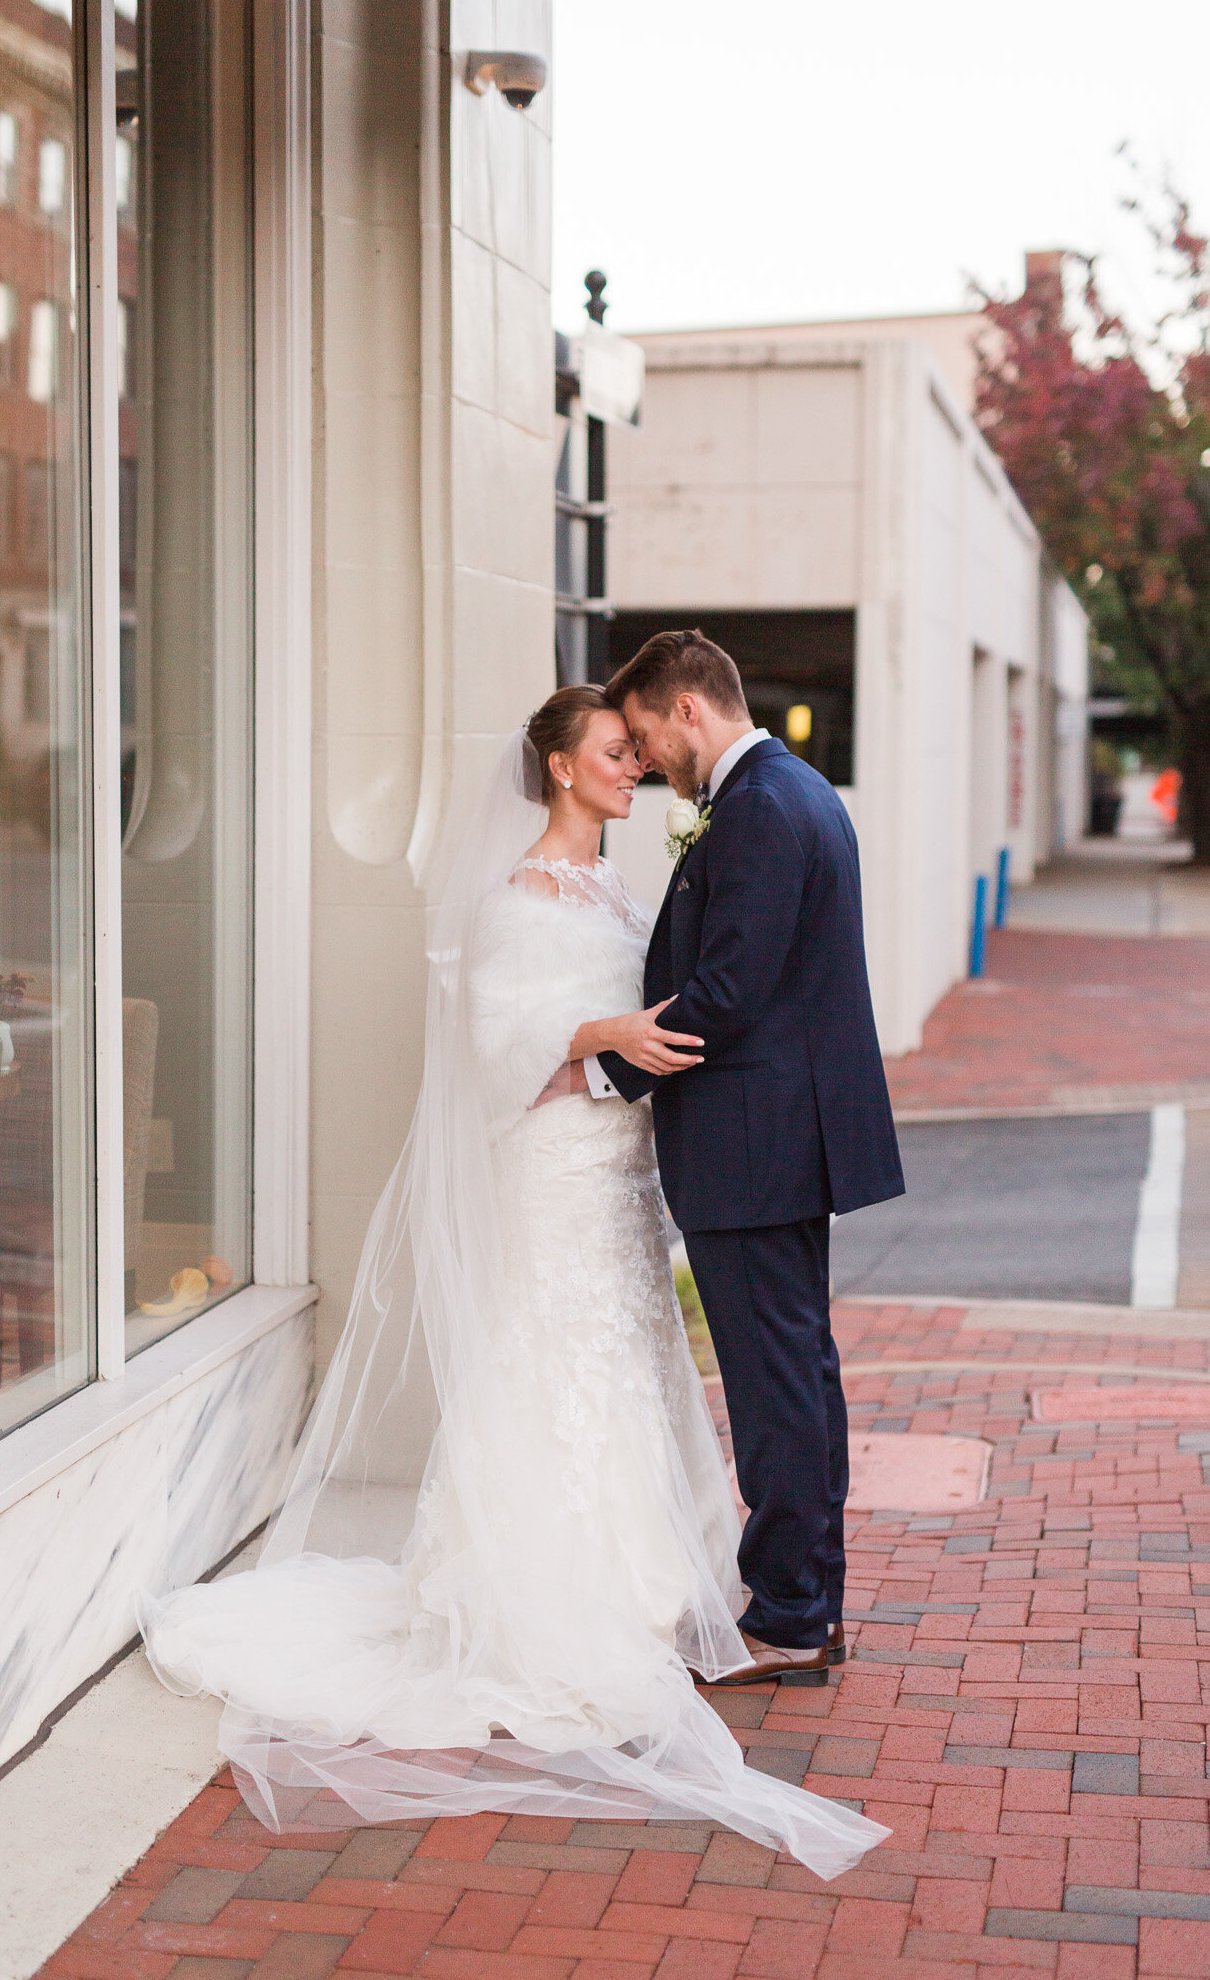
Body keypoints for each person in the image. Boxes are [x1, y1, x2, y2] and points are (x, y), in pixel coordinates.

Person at [140, 685, 889, 1879]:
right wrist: (601, 1038)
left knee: (638, 1368)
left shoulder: (624, 890)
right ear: (556, 768)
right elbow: (499, 1052)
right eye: (613, 751)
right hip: (554, 1169)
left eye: (638, 750)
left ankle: (674, 1588)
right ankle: (551, 1599)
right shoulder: (509, 902)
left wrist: (634, 1052)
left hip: (627, 1178)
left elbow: (686, 1003)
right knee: (559, 1365)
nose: (634, 766)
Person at [595, 630, 905, 1686]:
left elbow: (728, 992)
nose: (645, 763)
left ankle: (791, 1614)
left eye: (644, 735)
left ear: (689, 710)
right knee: (796, 1373)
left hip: (759, 1139)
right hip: (778, 1132)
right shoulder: (788, 790)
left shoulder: (762, 807)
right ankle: (804, 1596)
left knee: (778, 1383)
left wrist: (605, 1067)